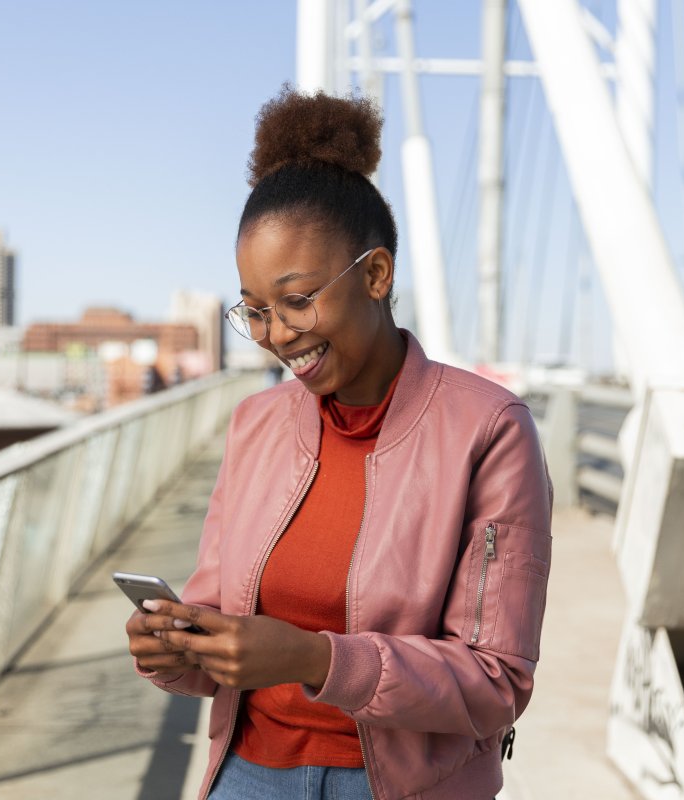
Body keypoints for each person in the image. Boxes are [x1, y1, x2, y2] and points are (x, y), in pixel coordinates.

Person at [127, 88, 552, 800]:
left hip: (399, 786)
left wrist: (315, 659)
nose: (275, 334)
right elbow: (217, 627)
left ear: (377, 275)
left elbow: (495, 681)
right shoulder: (255, 425)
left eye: (297, 301)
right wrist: (172, 649)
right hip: (246, 775)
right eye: (255, 310)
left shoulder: (489, 429)